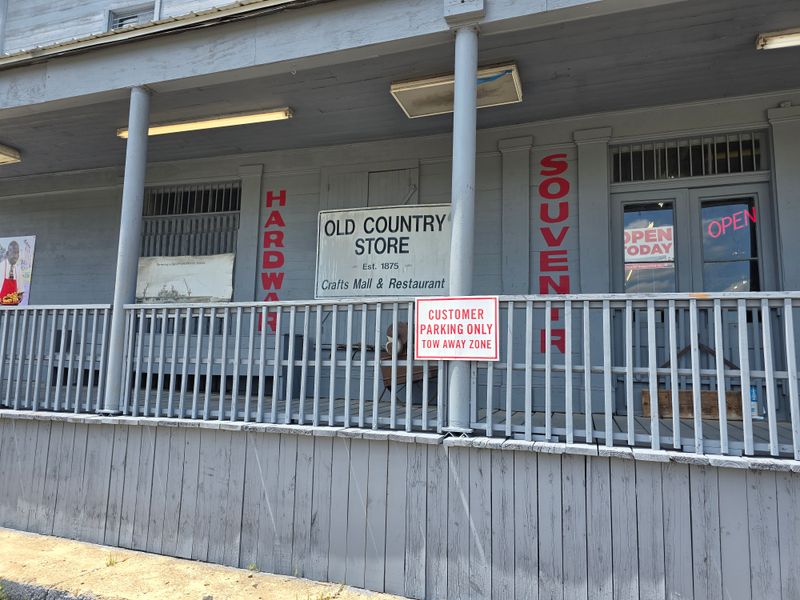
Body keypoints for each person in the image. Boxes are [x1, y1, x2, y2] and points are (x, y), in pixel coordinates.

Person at [0, 241, 22, 305]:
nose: (15, 256)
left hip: (13, 308)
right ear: (7, 253)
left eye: (17, 253)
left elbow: (20, 292)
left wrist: (18, 299)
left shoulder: (18, 270)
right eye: (13, 253)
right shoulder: (1, 267)